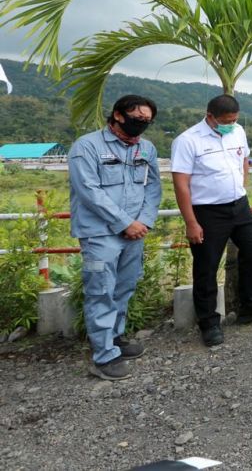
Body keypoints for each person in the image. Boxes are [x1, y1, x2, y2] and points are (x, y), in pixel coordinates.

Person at [170, 94, 252, 347]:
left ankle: (249, 307)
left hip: (240, 206)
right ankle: (208, 323)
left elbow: (243, 160)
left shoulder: (238, 131)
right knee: (206, 266)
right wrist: (191, 222)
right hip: (207, 212)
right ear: (210, 117)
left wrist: (241, 187)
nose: (231, 124)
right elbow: (181, 184)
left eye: (234, 119)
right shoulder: (187, 141)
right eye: (226, 121)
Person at [68, 95, 162, 380]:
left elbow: (154, 187)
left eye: (146, 121)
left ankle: (116, 338)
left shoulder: (146, 148)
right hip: (100, 233)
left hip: (135, 232)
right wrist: (125, 223)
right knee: (101, 290)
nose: (141, 124)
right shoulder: (87, 146)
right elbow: (89, 191)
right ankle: (103, 355)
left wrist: (143, 221)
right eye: (137, 118)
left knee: (124, 287)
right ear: (118, 115)